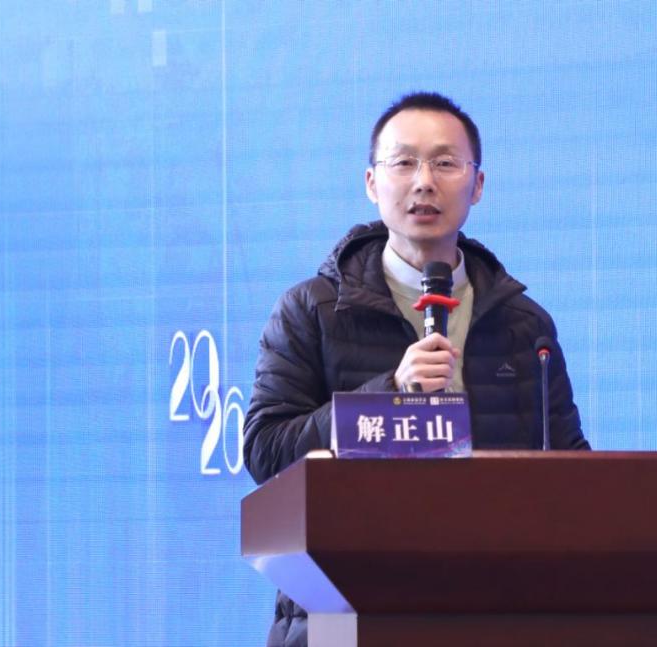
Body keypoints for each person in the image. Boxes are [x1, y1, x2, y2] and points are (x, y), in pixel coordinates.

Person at [243, 91, 590, 647]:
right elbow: (266, 451)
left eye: (445, 162)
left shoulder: (524, 325)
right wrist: (388, 393)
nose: (424, 182)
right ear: (371, 182)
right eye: (403, 162)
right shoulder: (311, 311)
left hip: (494, 611)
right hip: (345, 616)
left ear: (478, 184)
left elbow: (573, 473)